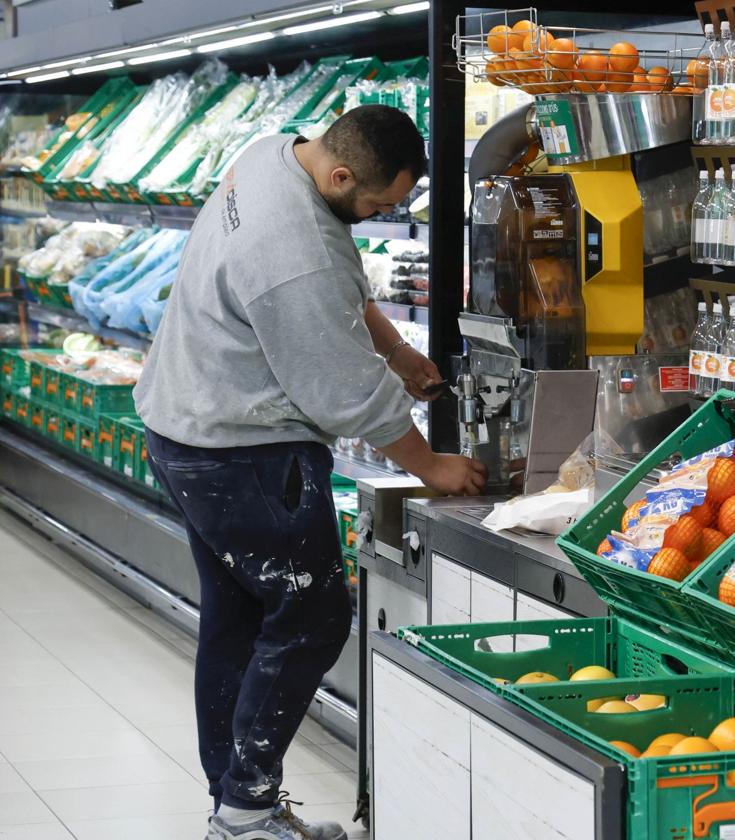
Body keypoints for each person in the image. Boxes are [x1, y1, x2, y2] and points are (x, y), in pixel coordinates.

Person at [134, 105, 486, 840]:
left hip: (183, 430)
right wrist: (431, 467)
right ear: (341, 174)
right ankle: (244, 811)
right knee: (314, 618)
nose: (377, 214)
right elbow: (341, 391)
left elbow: (342, 289)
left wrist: (398, 353)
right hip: (241, 455)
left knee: (236, 622)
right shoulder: (291, 247)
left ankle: (237, 805)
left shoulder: (273, 154)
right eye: (377, 205)